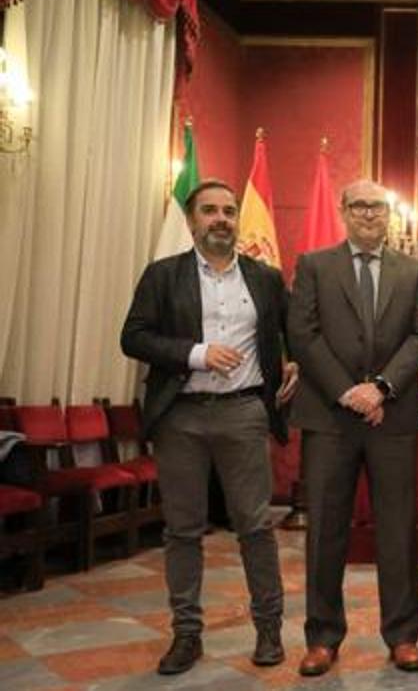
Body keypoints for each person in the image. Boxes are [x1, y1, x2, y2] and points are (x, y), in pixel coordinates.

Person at [120, 179, 297, 675]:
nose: (221, 218)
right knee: (182, 530)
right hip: (181, 415)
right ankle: (186, 635)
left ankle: (268, 631)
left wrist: (296, 361)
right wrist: (195, 354)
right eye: (210, 211)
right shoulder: (163, 275)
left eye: (229, 210)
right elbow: (132, 336)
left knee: (256, 527)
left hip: (244, 414)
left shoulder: (264, 278)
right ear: (193, 221)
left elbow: (294, 329)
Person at [287, 178, 418, 676]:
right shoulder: (314, 266)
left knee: (397, 529)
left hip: (391, 417)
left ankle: (402, 636)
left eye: (378, 207)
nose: (369, 214)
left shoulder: (414, 270)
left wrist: (381, 389)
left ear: (388, 214)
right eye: (360, 206)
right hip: (329, 417)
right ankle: (323, 638)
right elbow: (302, 334)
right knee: (326, 529)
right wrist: (347, 391)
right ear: (343, 210)